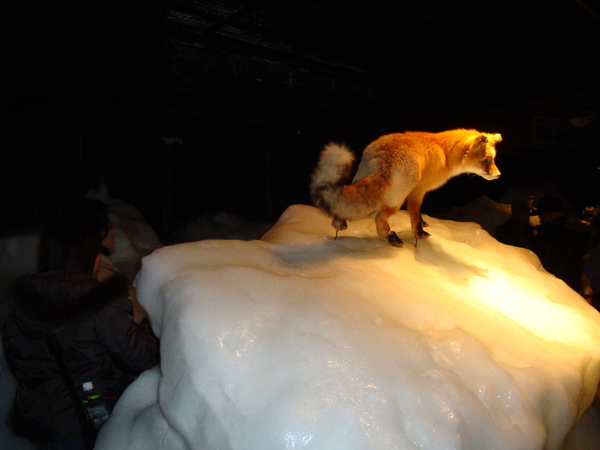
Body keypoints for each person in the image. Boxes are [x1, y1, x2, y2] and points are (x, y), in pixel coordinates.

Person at [2, 201, 160, 449]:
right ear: (86, 254)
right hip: (89, 422)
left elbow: (18, 363)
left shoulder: (22, 306)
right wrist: (154, 326)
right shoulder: (100, 302)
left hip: (42, 423)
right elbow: (140, 357)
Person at [531, 195, 593, 293]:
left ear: (549, 214)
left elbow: (544, 262)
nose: (539, 219)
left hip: (551, 288)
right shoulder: (576, 230)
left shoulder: (550, 233)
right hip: (571, 288)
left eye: (541, 215)